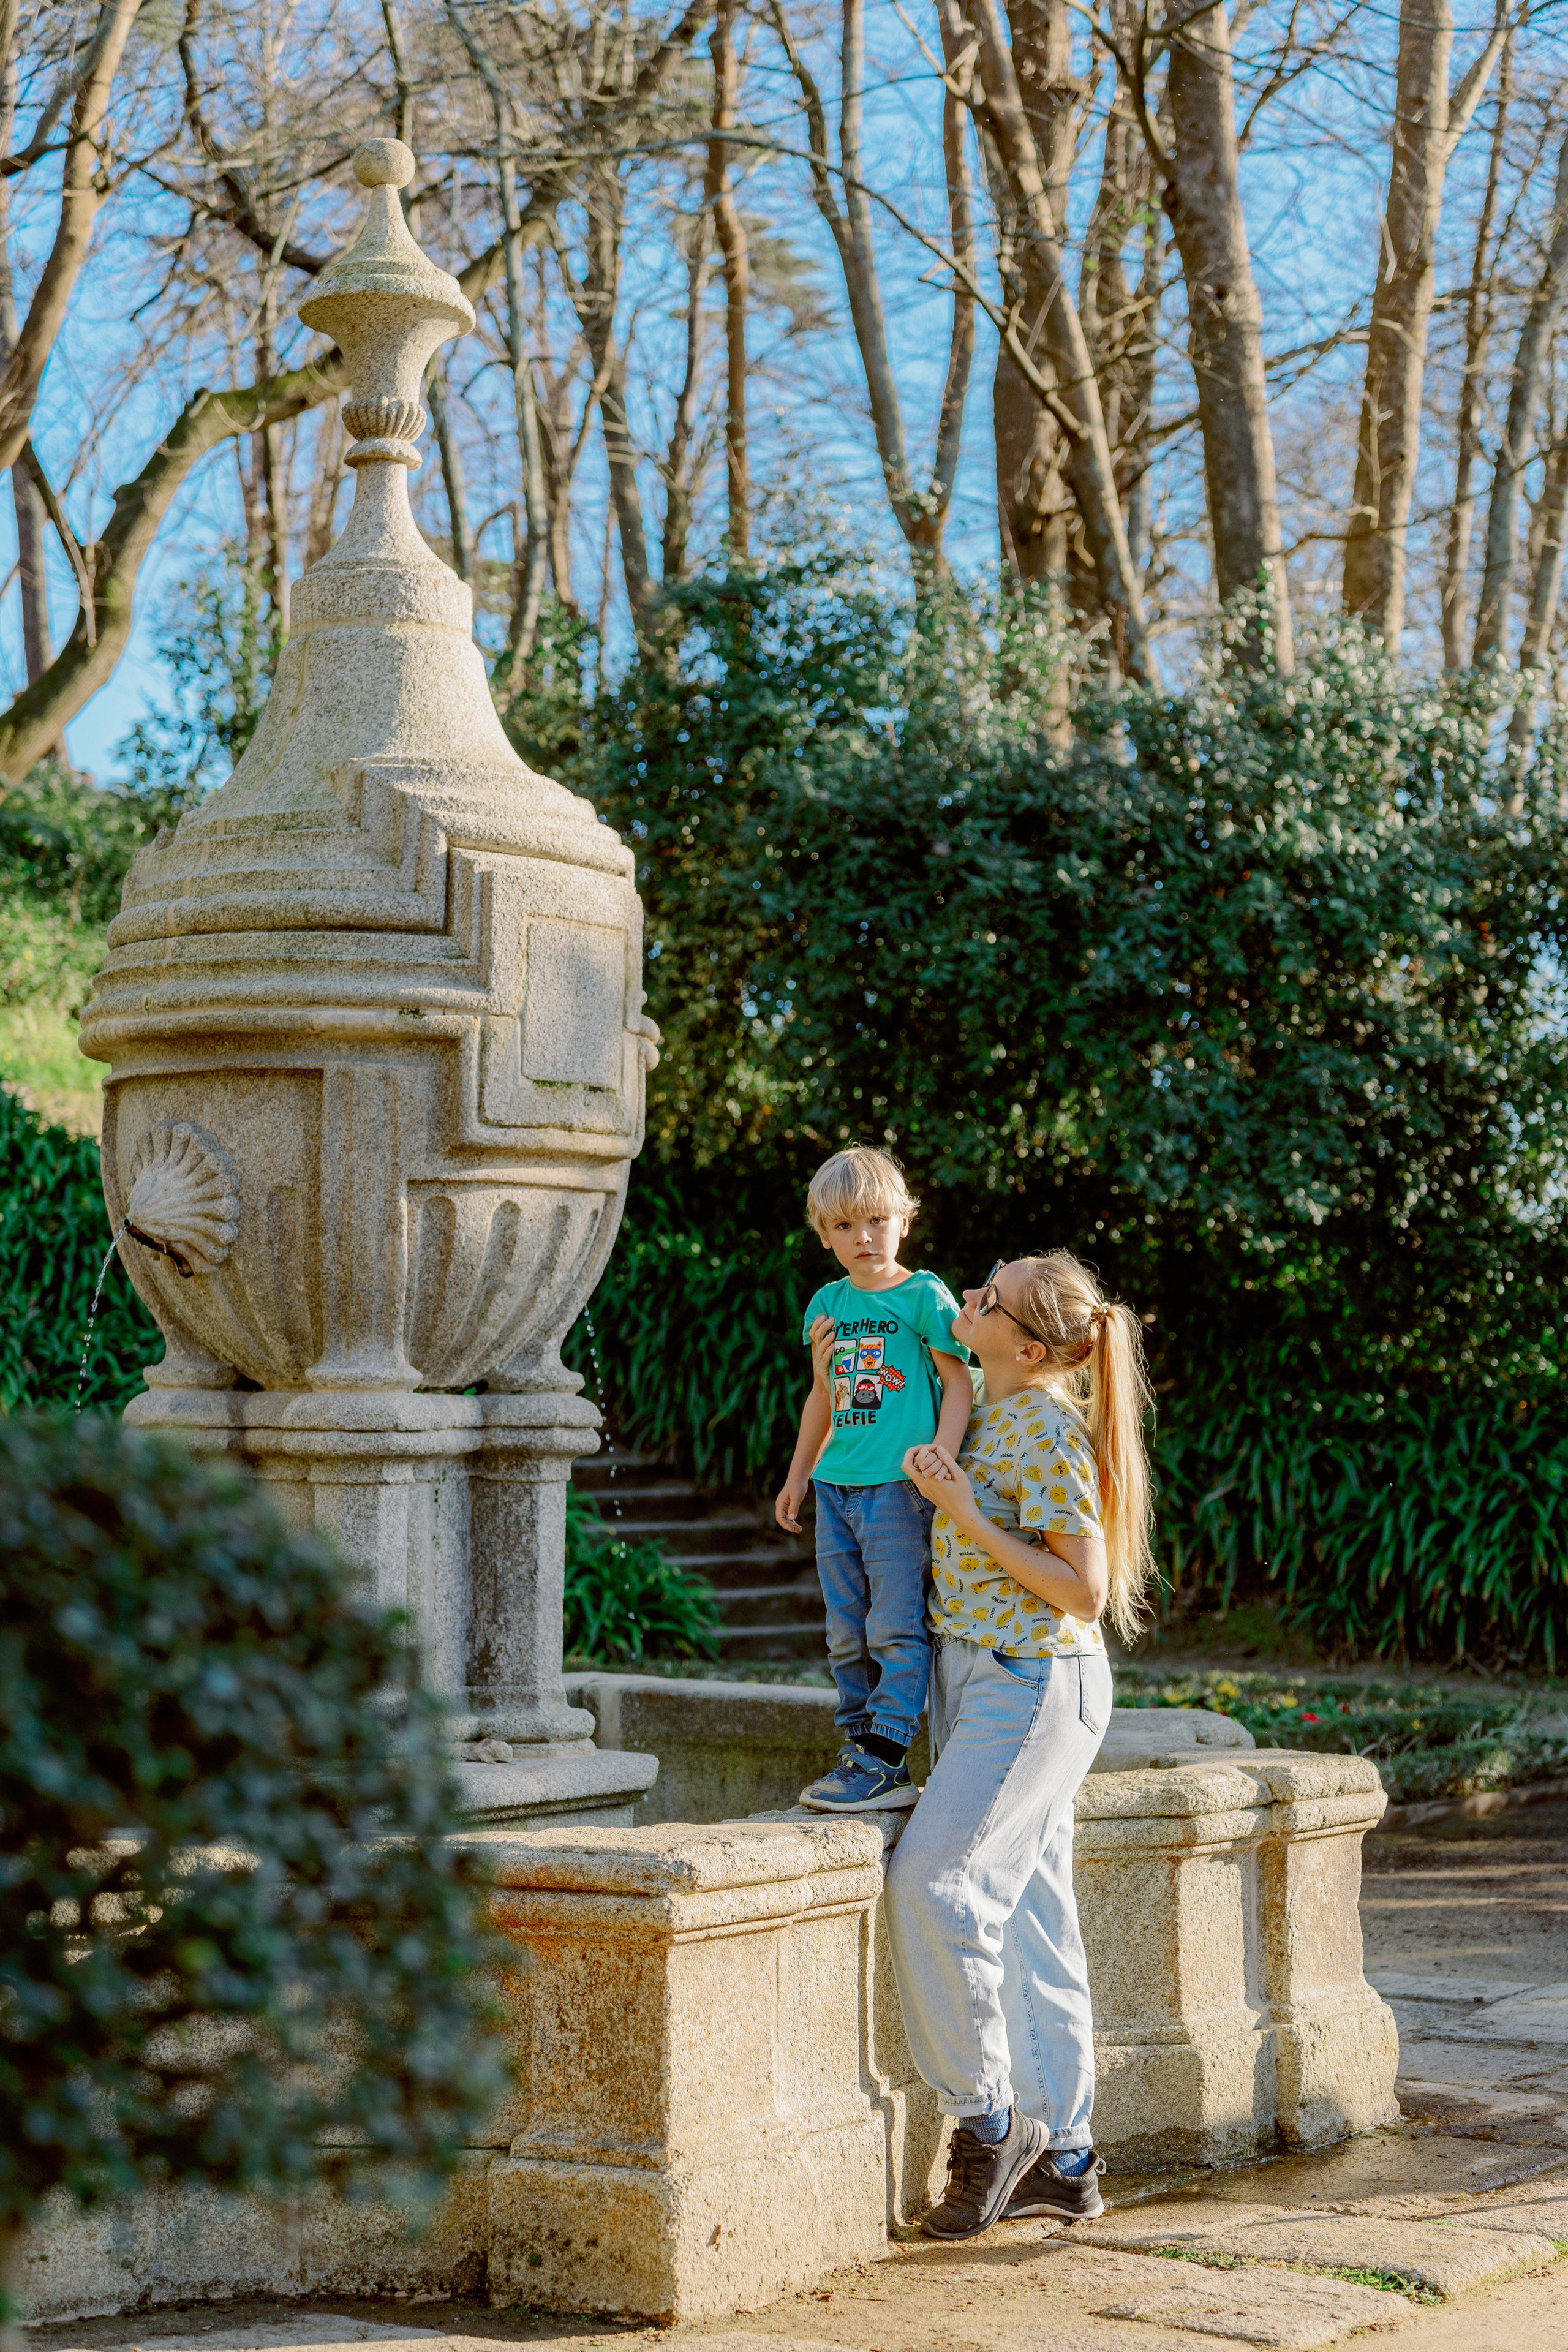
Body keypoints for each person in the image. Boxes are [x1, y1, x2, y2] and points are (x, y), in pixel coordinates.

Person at [885, 1249, 1154, 2239]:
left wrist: (960, 1511)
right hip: (991, 1673)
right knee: (1036, 1912)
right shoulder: (993, 1408)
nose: (973, 1286)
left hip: (1031, 1679)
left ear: (1028, 1345)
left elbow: (1083, 1588)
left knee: (933, 1883)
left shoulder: (1040, 1425)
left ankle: (991, 2124)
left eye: (988, 1294)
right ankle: (1069, 2160)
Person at [774, 1147, 973, 1813]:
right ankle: (859, 1751)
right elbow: (822, 1397)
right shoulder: (826, 1303)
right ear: (823, 1233)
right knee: (844, 1630)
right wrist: (798, 1475)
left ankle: (888, 1754)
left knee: (893, 1623)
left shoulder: (924, 1296)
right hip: (836, 1487)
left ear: (904, 1222)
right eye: (844, 1227)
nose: (863, 1238)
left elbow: (958, 1382)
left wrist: (940, 1456)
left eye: (877, 1222)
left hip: (896, 1488)